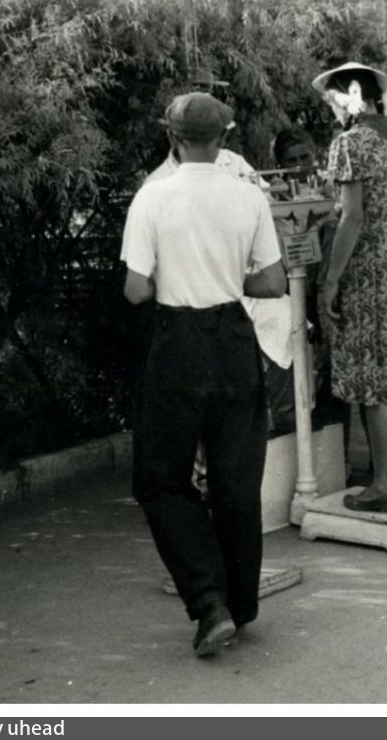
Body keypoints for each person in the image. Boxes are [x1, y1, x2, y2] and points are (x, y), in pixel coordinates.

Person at [119, 92, 288, 658]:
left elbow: (137, 289)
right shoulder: (247, 196)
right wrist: (224, 276)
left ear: (172, 137)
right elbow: (273, 283)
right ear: (224, 138)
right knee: (236, 480)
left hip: (178, 342)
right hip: (234, 337)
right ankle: (240, 605)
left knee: (162, 481)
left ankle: (208, 601)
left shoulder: (152, 196)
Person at [313, 62, 387, 513]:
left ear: (347, 98)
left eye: (332, 102)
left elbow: (352, 216)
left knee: (377, 374)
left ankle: (381, 483)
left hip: (366, 264)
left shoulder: (349, 143)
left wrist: (330, 280)